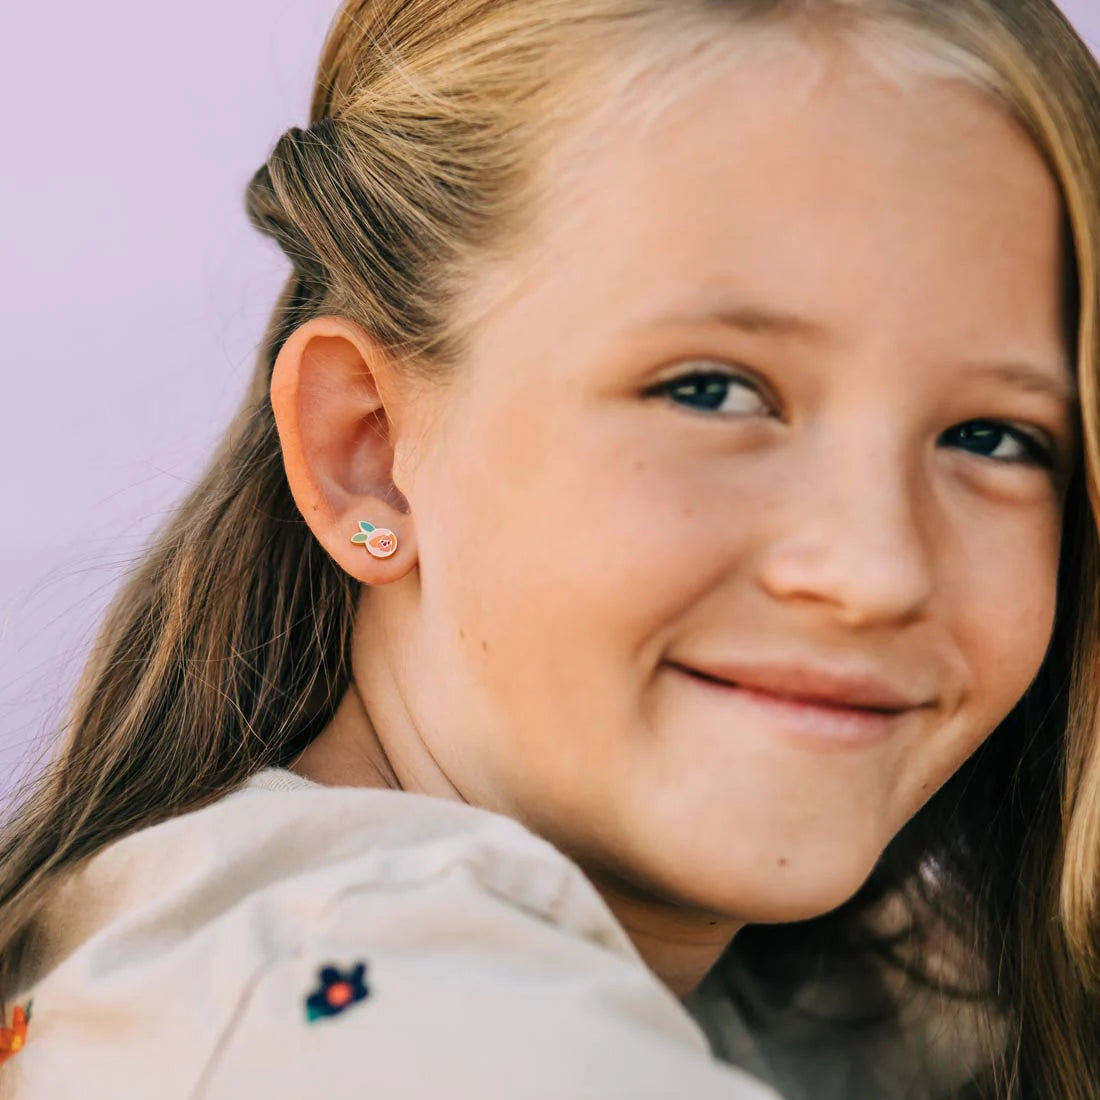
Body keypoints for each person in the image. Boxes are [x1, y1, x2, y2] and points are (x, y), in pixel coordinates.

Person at [1, 0, 1098, 1096]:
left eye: (992, 436)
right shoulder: (372, 1031)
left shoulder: (847, 995)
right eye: (709, 391)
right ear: (368, 456)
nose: (873, 569)